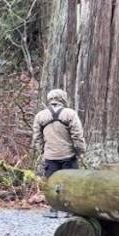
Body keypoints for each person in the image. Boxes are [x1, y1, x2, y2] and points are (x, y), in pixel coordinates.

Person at [32, 88, 86, 218]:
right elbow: (77, 136)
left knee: (51, 183)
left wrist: (42, 151)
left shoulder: (40, 116)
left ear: (49, 99)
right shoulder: (70, 114)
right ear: (63, 99)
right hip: (68, 156)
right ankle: (69, 210)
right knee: (71, 182)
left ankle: (53, 209)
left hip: (50, 156)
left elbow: (37, 137)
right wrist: (81, 151)